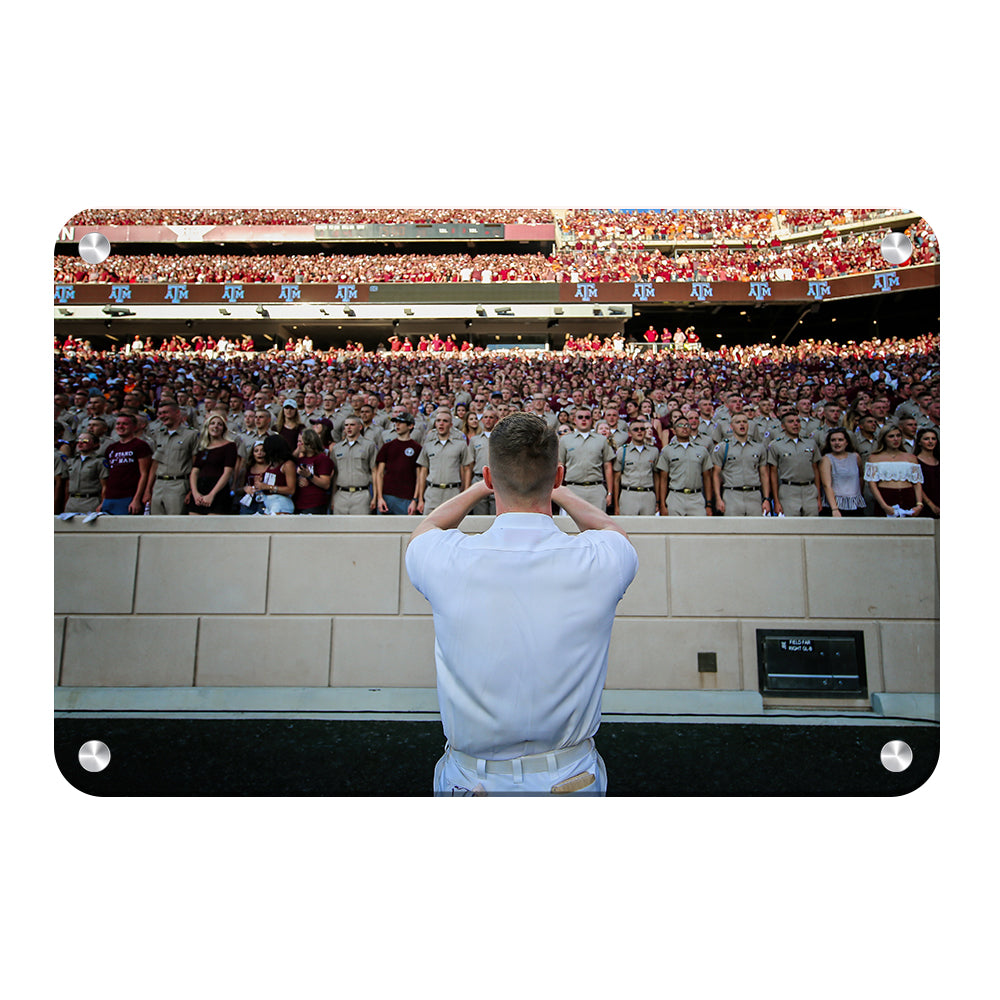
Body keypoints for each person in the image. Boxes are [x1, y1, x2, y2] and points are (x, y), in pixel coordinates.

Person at [405, 412, 638, 796]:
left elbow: (425, 529)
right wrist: (555, 490)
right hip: (569, 777)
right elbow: (613, 530)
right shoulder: (598, 558)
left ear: (490, 476)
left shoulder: (447, 557)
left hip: (472, 781)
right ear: (558, 476)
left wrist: (482, 489)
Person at [145, 399, 200, 514]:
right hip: (158, 484)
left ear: (177, 413)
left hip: (179, 485)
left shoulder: (191, 435)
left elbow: (196, 464)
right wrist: (148, 490)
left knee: (175, 525)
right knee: (157, 525)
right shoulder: (158, 435)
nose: (162, 416)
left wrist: (192, 490)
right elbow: (155, 464)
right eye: (160, 413)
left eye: (165, 412)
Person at [556, 406, 615, 512]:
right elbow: (560, 465)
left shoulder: (601, 440)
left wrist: (609, 492)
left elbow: (607, 467)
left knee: (597, 526)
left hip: (596, 489)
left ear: (591, 420)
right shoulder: (565, 440)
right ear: (575, 420)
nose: (584, 420)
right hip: (573, 488)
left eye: (587, 417)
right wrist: (560, 490)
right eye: (580, 417)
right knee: (570, 526)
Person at [711, 412, 769, 517]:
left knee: (755, 529)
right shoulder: (723, 447)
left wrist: (766, 499)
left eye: (744, 422)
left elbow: (764, 474)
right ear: (731, 426)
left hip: (754, 494)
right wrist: (718, 498)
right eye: (738, 422)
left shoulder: (759, 448)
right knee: (733, 530)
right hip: (732, 494)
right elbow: (716, 474)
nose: (742, 424)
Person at [415, 410, 473, 514]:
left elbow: (467, 469)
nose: (441, 423)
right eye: (438, 421)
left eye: (445, 421)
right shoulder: (428, 445)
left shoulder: (460, 445)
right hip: (432, 493)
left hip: (453, 492)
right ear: (435, 424)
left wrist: (466, 493)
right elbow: (423, 472)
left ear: (450, 425)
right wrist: (420, 499)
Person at [654, 415, 714, 516]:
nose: (684, 427)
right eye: (680, 425)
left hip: (696, 497)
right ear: (674, 430)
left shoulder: (701, 450)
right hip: (675, 496)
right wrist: (663, 505)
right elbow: (663, 479)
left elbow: (707, 478)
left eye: (687, 425)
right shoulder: (667, 450)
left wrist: (708, 504)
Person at [765, 411, 821, 516]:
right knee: (792, 527)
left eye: (798, 421)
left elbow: (816, 470)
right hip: (788, 489)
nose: (795, 424)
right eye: (791, 422)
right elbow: (773, 474)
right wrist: (776, 501)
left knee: (812, 526)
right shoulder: (776, 445)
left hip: (809, 489)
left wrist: (818, 497)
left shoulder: (810, 443)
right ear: (783, 426)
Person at [865, 424, 925, 517]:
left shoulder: (911, 458)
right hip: (886, 496)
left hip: (907, 495)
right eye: (891, 436)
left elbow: (917, 483)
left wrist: (919, 504)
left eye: (898, 435)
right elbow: (872, 484)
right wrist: (884, 505)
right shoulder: (874, 458)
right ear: (884, 438)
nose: (896, 439)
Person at [100, 413, 153, 515]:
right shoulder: (111, 448)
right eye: (118, 424)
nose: (120, 426)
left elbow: (144, 474)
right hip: (110, 497)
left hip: (129, 497)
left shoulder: (141, 446)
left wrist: (136, 499)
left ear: (134, 427)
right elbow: (107, 476)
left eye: (125, 424)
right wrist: (103, 500)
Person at [185, 414, 238, 515]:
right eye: (212, 423)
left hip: (218, 490)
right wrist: (195, 493)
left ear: (223, 428)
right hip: (200, 489)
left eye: (219, 424)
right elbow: (194, 472)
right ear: (207, 427)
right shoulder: (203, 447)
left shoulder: (230, 446)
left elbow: (227, 473)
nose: (215, 426)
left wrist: (212, 494)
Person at [331, 415, 378, 514]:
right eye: (346, 425)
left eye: (352, 425)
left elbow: (375, 471)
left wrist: (375, 497)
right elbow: (335, 474)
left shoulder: (369, 445)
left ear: (360, 427)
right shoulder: (337, 448)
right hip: (341, 494)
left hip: (361, 494)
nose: (348, 427)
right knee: (339, 527)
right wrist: (333, 497)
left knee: (361, 527)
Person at [375, 412, 420, 515]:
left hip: (407, 498)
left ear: (410, 426)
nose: (397, 425)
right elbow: (380, 473)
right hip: (387, 497)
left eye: (401, 422)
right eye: (396, 422)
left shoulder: (417, 448)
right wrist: (380, 498)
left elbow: (419, 476)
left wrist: (415, 500)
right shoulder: (387, 446)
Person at [613, 420, 659, 515]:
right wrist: (616, 505)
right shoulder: (623, 451)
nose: (639, 431)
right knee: (628, 527)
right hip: (629, 494)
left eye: (642, 429)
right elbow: (616, 479)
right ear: (630, 433)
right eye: (636, 429)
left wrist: (658, 501)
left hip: (648, 494)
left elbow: (656, 477)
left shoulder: (653, 451)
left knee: (648, 527)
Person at [818, 428, 866, 517]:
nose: (837, 443)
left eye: (840, 440)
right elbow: (826, 485)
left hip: (855, 504)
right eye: (833, 440)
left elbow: (860, 476)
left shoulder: (855, 457)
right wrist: (834, 509)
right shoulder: (826, 459)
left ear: (846, 442)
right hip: (836, 505)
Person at [294, 428, 334, 514]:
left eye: (301, 442)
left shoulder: (322, 459)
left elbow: (326, 484)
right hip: (299, 503)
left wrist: (309, 476)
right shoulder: (301, 460)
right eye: (298, 442)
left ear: (309, 443)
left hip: (315, 504)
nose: (298, 445)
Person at [257, 434, 297, 514]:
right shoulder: (271, 463)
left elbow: (291, 489)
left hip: (281, 503)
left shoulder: (287, 465)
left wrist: (268, 487)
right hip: (268, 503)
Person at [240, 440, 269, 515]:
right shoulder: (247, 469)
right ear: (253, 453)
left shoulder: (271, 468)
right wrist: (245, 488)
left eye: (263, 450)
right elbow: (237, 488)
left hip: (266, 502)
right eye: (256, 451)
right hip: (249, 503)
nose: (259, 453)